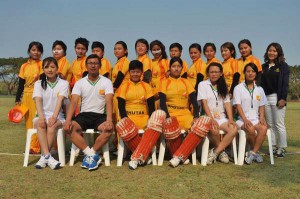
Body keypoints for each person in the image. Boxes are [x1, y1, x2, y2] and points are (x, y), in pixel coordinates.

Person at [63, 54, 114, 171]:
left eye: (95, 63)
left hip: (100, 116)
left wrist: (109, 120)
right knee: (68, 128)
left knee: (109, 129)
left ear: (100, 66)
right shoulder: (80, 82)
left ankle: (92, 153)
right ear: (86, 66)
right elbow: (74, 101)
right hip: (84, 116)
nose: (93, 66)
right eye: (90, 63)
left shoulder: (106, 82)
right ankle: (91, 154)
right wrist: (68, 120)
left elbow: (109, 101)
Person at [115, 60, 157, 170]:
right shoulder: (124, 86)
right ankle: (144, 156)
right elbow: (121, 105)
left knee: (153, 127)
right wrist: (126, 119)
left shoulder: (146, 86)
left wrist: (151, 120)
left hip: (143, 117)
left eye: (138, 72)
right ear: (129, 72)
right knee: (126, 128)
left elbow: (151, 106)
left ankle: (136, 157)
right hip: (128, 117)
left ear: (142, 72)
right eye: (133, 71)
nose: (135, 74)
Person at [159, 57, 199, 162]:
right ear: (170, 68)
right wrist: (167, 117)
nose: (176, 69)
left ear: (182, 68)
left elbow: (195, 103)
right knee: (171, 128)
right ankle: (179, 154)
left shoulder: (186, 82)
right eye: (174, 66)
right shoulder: (164, 82)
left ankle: (179, 154)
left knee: (198, 127)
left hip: (185, 114)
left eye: (178, 66)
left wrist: (196, 117)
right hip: (171, 114)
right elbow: (162, 103)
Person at [197, 62, 238, 164]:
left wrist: (231, 120)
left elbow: (227, 104)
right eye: (211, 72)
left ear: (221, 73)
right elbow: (204, 103)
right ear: (208, 73)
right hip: (208, 116)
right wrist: (211, 118)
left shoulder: (223, 86)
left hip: (222, 117)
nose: (214, 74)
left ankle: (216, 152)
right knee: (214, 131)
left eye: (216, 72)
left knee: (233, 129)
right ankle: (222, 152)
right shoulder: (203, 84)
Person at [33, 57, 69, 169]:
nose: (50, 69)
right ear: (43, 69)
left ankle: (44, 157)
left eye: (53, 67)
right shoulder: (38, 83)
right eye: (47, 67)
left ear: (57, 69)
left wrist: (54, 116)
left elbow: (60, 100)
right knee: (40, 123)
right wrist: (41, 117)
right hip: (41, 114)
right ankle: (48, 156)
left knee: (51, 125)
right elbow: (38, 100)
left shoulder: (64, 83)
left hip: (58, 116)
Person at [233, 63, 268, 164]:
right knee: (250, 129)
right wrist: (244, 119)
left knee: (263, 128)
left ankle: (252, 152)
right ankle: (255, 152)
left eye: (253, 71)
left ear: (256, 74)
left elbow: (262, 105)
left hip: (255, 118)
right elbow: (238, 105)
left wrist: (261, 117)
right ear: (244, 73)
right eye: (248, 71)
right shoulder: (238, 88)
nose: (250, 73)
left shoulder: (259, 89)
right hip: (241, 119)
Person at [261, 43, 290, 157]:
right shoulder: (263, 66)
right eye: (270, 50)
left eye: (274, 51)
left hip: (277, 98)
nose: (271, 53)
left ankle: (281, 147)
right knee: (270, 125)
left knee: (279, 124)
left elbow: (285, 84)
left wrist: (282, 98)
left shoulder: (283, 66)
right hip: (265, 99)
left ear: (278, 53)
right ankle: (272, 146)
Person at [15, 41, 43, 154]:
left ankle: (36, 147)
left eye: (38, 50)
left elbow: (43, 81)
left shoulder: (42, 64)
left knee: (36, 120)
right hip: (26, 96)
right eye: (33, 50)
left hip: (37, 95)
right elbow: (21, 84)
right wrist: (17, 98)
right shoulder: (24, 66)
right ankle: (30, 145)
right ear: (29, 51)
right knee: (28, 122)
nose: (36, 52)